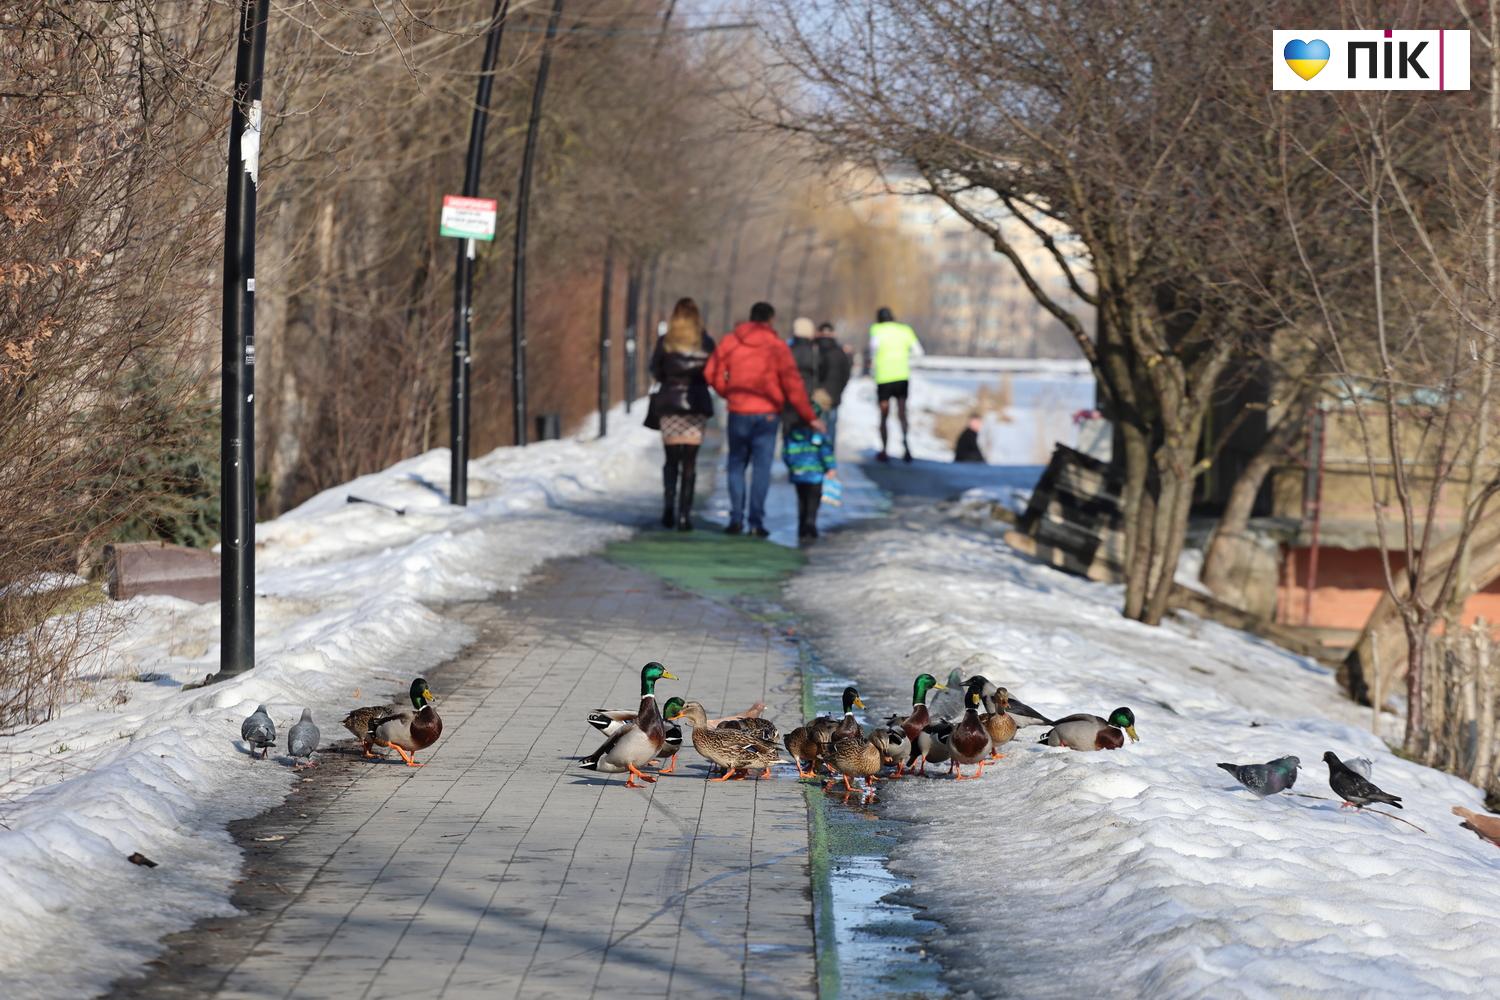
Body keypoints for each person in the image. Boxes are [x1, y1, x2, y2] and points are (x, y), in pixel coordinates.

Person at [705, 301, 824, 537]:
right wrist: (809, 416)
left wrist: (728, 392)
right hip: (768, 415)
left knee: (736, 465)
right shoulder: (777, 346)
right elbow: (793, 385)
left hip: (738, 412)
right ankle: (756, 522)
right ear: (770, 319)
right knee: (762, 468)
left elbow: (711, 372)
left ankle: (736, 518)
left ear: (750, 318)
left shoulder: (731, 341)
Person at [649, 298, 715, 531]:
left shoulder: (666, 341)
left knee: (671, 460)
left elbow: (654, 369)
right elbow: (713, 371)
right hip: (696, 405)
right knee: (690, 462)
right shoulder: (705, 341)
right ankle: (684, 515)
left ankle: (668, 508)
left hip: (670, 403)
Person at [868, 306, 924, 462]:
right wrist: (905, 362)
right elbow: (918, 352)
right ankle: (906, 447)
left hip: (884, 378)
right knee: (902, 413)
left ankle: (884, 450)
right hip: (901, 376)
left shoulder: (877, 330)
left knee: (884, 415)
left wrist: (874, 367)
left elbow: (873, 350)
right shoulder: (905, 330)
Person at [784, 389, 837, 541]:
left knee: (801, 499)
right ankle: (810, 523)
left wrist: (791, 466)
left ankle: (802, 525)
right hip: (815, 474)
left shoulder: (793, 433)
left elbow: (786, 452)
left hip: (799, 473)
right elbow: (826, 451)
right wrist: (831, 467)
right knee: (813, 500)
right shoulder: (819, 433)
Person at [814, 322, 853, 449]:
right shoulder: (839, 352)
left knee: (816, 426)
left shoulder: (814, 349)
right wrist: (839, 391)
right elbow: (846, 374)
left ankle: (816, 453)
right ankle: (829, 455)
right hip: (833, 397)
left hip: (815, 397)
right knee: (830, 427)